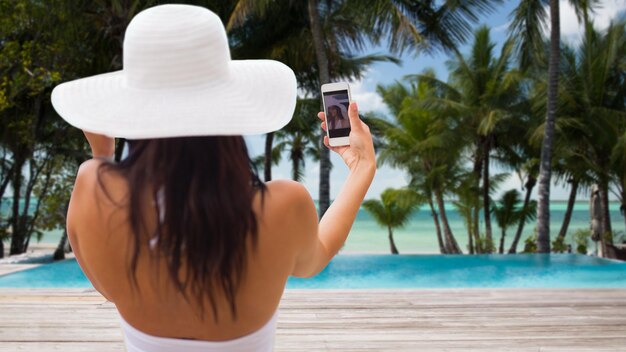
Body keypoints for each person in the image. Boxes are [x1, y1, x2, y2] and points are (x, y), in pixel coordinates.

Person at [51, 4, 375, 352]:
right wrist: (362, 168)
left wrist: (103, 156)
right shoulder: (284, 205)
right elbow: (318, 254)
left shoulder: (92, 189)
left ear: (135, 110)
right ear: (229, 103)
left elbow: (109, 283)